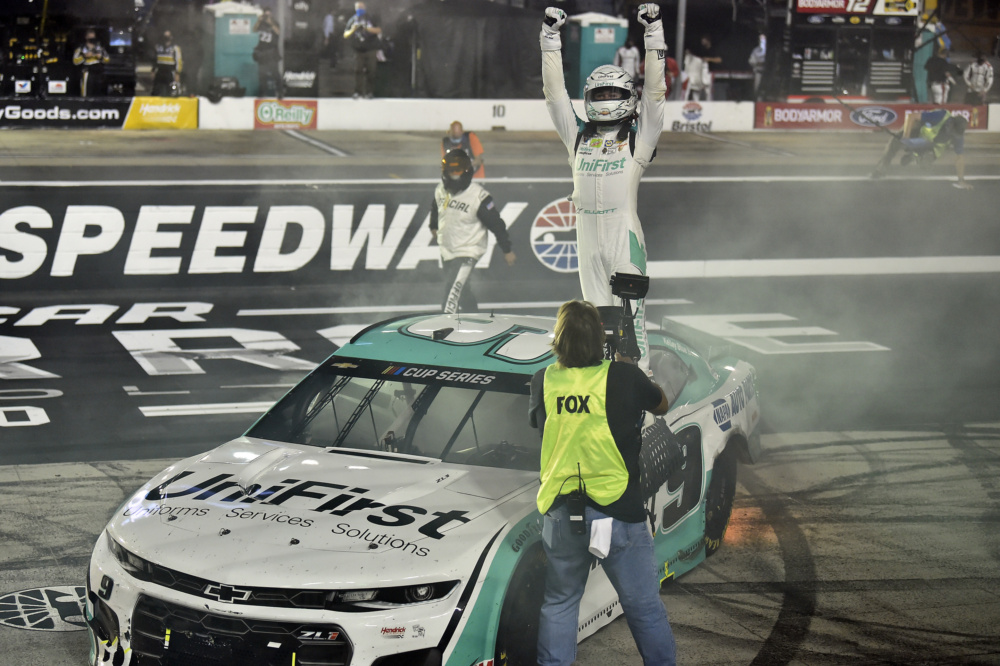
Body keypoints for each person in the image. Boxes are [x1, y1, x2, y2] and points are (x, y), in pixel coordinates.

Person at [529, 299, 675, 666]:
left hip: (561, 512)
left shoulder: (542, 379)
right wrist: (633, 370)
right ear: (600, 336)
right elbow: (661, 404)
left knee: (559, 603)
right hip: (617, 511)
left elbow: (541, 424)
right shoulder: (624, 376)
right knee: (643, 606)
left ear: (558, 339)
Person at [540, 3, 665, 371]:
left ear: (628, 97)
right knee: (595, 332)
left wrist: (653, 32)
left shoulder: (639, 137)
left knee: (632, 330)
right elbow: (554, 95)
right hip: (588, 242)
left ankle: (644, 396)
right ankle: (602, 393)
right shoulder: (577, 136)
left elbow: (655, 94)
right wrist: (549, 38)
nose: (607, 101)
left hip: (623, 238)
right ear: (589, 98)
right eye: (600, 94)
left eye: (613, 94)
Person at [430, 149, 516, 314]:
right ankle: (475, 318)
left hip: (468, 251)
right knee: (463, 291)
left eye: (457, 171)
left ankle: (445, 325)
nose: (453, 174)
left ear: (466, 171)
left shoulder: (479, 196)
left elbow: (496, 223)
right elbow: (435, 207)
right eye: (450, 170)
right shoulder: (440, 189)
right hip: (447, 250)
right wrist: (433, 225)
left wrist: (507, 249)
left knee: (451, 292)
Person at [871, 109, 972, 190]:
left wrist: (961, 180)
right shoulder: (940, 116)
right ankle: (881, 168)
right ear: (950, 124)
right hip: (920, 134)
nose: (953, 135)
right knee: (895, 142)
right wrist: (906, 137)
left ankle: (913, 156)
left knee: (925, 165)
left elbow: (959, 157)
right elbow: (911, 117)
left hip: (933, 147)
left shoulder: (958, 136)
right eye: (953, 132)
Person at [343, 1, 381, 99]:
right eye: (358, 7)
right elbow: (345, 34)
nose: (359, 9)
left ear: (365, 7)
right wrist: (353, 29)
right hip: (358, 50)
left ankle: (369, 92)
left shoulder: (371, 18)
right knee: (358, 71)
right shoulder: (353, 19)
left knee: (371, 71)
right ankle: (358, 92)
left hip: (371, 48)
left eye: (361, 7)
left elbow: (378, 30)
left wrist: (368, 29)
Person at [253, 8, 281, 97]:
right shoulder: (261, 24)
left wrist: (271, 23)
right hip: (262, 52)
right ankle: (262, 92)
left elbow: (278, 32)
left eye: (269, 15)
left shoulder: (275, 23)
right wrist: (259, 20)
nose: (267, 16)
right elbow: (254, 30)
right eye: (266, 15)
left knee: (275, 73)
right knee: (262, 73)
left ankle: (280, 91)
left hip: (271, 52)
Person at [73, 29, 109, 97]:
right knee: (86, 93)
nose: (92, 39)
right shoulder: (81, 48)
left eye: (93, 37)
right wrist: (84, 56)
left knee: (98, 93)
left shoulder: (100, 48)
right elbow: (75, 61)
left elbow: (107, 59)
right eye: (90, 37)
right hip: (87, 72)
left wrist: (101, 57)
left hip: (98, 72)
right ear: (86, 37)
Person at [152, 30, 183, 97]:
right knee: (155, 91)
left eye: (168, 36)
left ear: (171, 37)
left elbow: (179, 61)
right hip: (160, 71)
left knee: (171, 91)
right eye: (165, 36)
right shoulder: (158, 47)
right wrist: (153, 70)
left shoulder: (175, 48)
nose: (166, 37)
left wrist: (177, 73)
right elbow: (155, 59)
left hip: (170, 72)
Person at [749, 33, 766, 100]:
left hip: (767, 74)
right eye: (760, 39)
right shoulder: (755, 50)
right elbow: (751, 61)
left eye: (763, 39)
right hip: (758, 73)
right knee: (757, 91)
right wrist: (759, 63)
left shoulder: (769, 50)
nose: (762, 41)